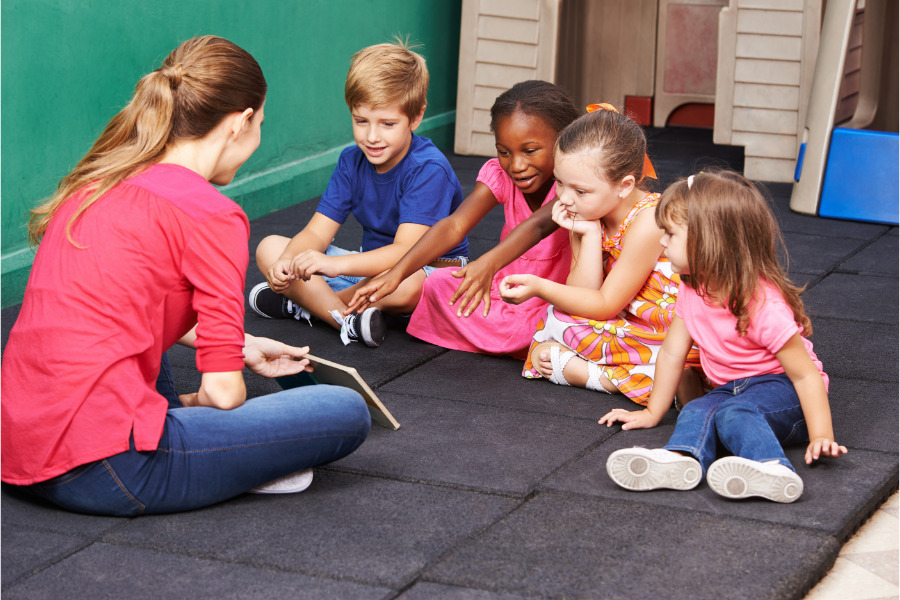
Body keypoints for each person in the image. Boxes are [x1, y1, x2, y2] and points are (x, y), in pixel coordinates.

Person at [0, 36, 371, 517]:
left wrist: (242, 344)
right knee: (343, 411)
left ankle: (193, 437)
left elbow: (128, 307)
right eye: (260, 124)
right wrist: (223, 404)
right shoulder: (213, 215)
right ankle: (228, 461)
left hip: (20, 451)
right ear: (239, 123)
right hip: (109, 471)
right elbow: (224, 394)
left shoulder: (99, 184)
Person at [599, 171, 846, 503]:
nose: (661, 242)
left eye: (670, 234)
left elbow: (805, 375)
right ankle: (684, 460)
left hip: (784, 391)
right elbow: (672, 353)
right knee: (696, 410)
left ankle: (773, 468)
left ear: (708, 241)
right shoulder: (692, 287)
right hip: (731, 389)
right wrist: (652, 413)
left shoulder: (763, 306)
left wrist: (821, 435)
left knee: (734, 414)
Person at [249, 39, 467, 348]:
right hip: (366, 269)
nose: (372, 137)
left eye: (387, 124)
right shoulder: (352, 161)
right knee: (269, 247)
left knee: (407, 284)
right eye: (361, 121)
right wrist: (286, 265)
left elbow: (405, 253)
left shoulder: (429, 168)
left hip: (423, 271)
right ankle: (345, 318)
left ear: (416, 117)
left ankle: (309, 307)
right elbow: (315, 232)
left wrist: (332, 267)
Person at [345, 80, 578, 358]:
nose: (516, 165)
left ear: (564, 141)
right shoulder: (501, 175)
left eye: (529, 151)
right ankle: (521, 340)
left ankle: (527, 336)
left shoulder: (574, 186)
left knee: (566, 321)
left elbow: (539, 225)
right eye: (504, 152)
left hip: (555, 298)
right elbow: (455, 225)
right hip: (507, 292)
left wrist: (487, 263)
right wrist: (397, 273)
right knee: (438, 283)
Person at [498, 105, 702, 405]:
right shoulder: (586, 211)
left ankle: (606, 378)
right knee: (558, 320)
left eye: (580, 190)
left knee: (550, 333)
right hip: (623, 323)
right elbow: (583, 296)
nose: (565, 198)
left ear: (625, 186)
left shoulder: (648, 220)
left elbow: (604, 306)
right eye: (560, 183)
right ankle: (641, 377)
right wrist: (589, 235)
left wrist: (539, 287)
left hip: (669, 332)